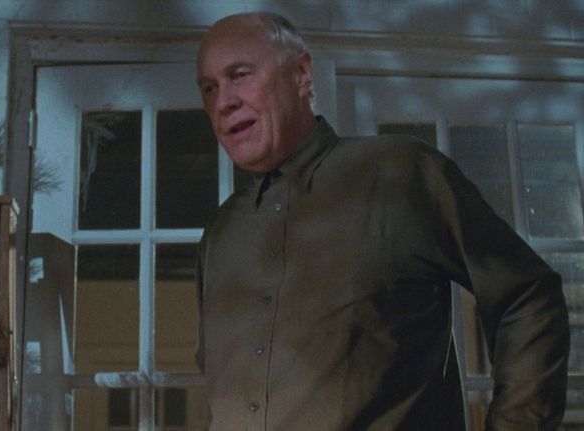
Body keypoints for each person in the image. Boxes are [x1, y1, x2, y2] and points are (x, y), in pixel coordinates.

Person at [194, 12, 570, 430]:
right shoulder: (220, 235)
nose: (223, 102)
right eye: (209, 88)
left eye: (240, 75)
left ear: (301, 74)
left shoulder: (400, 174)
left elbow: (527, 297)